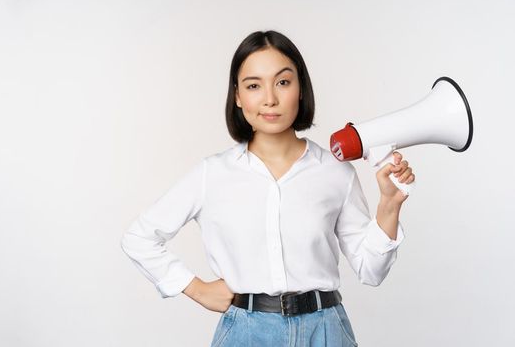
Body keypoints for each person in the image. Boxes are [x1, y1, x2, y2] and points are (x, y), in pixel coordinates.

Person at [120, 30, 415, 346]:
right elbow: (139, 237)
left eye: (283, 82)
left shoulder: (335, 171)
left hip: (326, 331)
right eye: (253, 85)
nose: (270, 98)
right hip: (245, 333)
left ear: (300, 88)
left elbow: (372, 272)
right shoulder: (213, 174)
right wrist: (196, 288)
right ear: (237, 96)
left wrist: (389, 204)